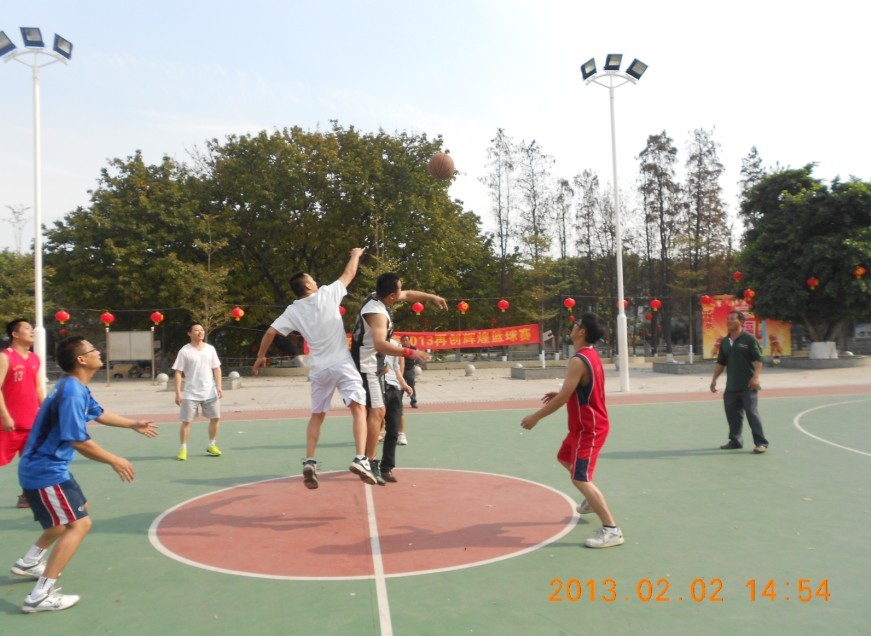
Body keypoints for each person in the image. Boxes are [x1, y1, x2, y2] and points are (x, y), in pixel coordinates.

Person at [10, 336, 158, 613]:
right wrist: (114, 460)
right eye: (93, 350)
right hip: (45, 471)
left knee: (75, 513)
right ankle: (40, 595)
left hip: (48, 468)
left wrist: (132, 424)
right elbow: (78, 440)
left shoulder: (73, 386)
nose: (98, 352)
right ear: (81, 359)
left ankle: (30, 561)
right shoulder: (71, 393)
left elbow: (98, 413)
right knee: (79, 524)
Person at [252, 247, 377, 487]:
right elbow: (349, 274)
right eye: (313, 280)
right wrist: (355, 255)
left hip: (319, 369)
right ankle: (361, 458)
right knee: (359, 409)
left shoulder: (293, 310)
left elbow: (270, 332)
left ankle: (310, 461)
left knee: (317, 415)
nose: (317, 282)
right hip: (342, 363)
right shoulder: (327, 294)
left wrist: (261, 356)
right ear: (308, 286)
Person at [520, 313, 624, 549]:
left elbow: (565, 397)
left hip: (590, 428)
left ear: (582, 332)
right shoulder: (589, 356)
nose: (572, 327)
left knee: (580, 477)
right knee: (564, 457)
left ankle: (612, 530)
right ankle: (591, 498)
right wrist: (561, 394)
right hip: (580, 426)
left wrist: (536, 417)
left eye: (576, 324)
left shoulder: (579, 360)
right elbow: (577, 389)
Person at [352, 272, 445, 484]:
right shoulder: (377, 313)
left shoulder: (376, 296)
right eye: (399, 289)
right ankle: (367, 460)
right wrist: (411, 352)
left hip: (373, 364)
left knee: (378, 413)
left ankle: (368, 460)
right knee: (377, 412)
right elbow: (380, 344)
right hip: (367, 365)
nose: (402, 291)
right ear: (391, 295)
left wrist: (432, 297)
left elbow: (409, 294)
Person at [709, 310, 769, 453]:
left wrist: (756, 377)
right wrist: (714, 380)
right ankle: (735, 441)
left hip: (748, 386)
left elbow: (758, 360)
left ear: (741, 322)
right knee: (732, 416)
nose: (729, 321)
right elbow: (721, 362)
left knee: (751, 414)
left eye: (732, 319)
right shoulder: (725, 342)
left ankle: (761, 443)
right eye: (727, 319)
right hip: (731, 387)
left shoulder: (749, 339)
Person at [1, 319, 45, 508]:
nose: (32, 331)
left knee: (31, 461)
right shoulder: (5, 357)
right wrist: (5, 416)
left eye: (32, 328)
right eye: (27, 328)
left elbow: (37, 388)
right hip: (8, 423)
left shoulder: (34, 358)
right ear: (15, 334)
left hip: (31, 422)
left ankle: (27, 495)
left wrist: (45, 412)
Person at [172, 322, 223, 460]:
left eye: (202, 330)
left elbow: (217, 368)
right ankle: (183, 449)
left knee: (215, 418)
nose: (200, 332)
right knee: (187, 421)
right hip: (190, 393)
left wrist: (219, 386)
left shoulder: (210, 349)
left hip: (210, 391)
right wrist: (178, 392)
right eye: (196, 330)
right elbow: (178, 372)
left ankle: (212, 445)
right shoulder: (184, 351)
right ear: (189, 333)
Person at [379, 338, 413, 483]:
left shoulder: (395, 345)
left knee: (393, 430)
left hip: (394, 389)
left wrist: (404, 384)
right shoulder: (371, 342)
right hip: (377, 388)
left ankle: (386, 468)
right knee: (373, 429)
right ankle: (368, 462)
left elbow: (396, 368)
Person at [400, 334, 419, 411]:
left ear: (409, 341)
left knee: (411, 386)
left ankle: (413, 402)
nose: (405, 342)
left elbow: (418, 357)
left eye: (406, 340)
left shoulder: (413, 349)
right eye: (403, 340)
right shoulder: (399, 349)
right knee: (400, 387)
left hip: (410, 370)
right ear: (401, 341)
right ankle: (399, 403)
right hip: (401, 370)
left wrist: (414, 364)